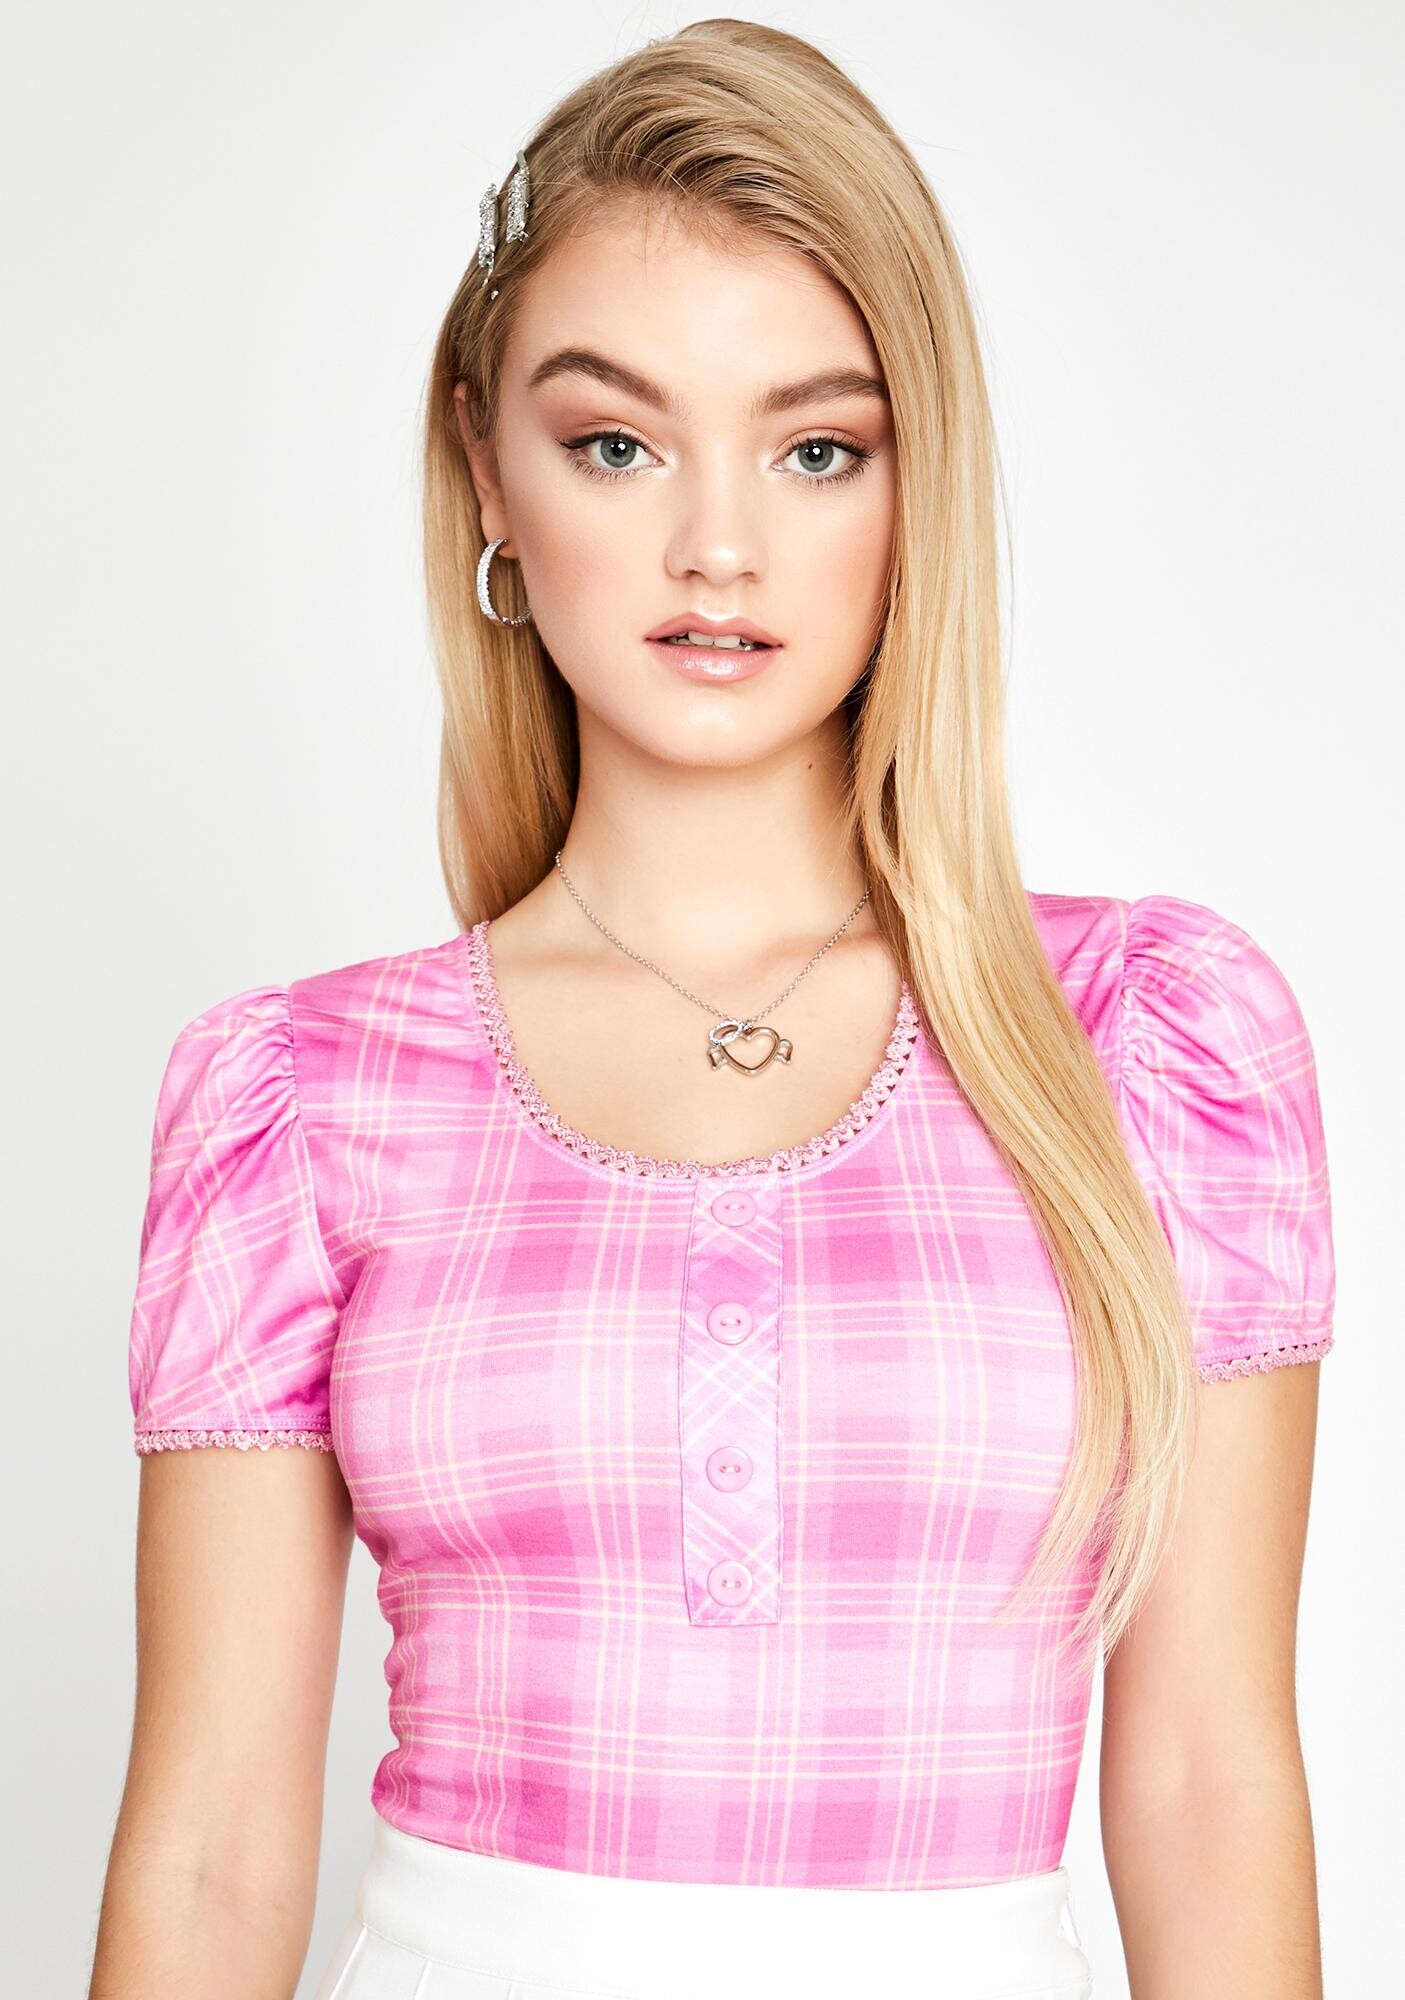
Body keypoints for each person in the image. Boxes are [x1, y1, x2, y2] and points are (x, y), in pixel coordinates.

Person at [90, 20, 1337, 2000]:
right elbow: (211, 1854)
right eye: (617, 443)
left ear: (916, 485)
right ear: (489, 476)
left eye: (816, 447)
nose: (717, 547)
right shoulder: (297, 1098)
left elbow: (1207, 1785)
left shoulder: (1149, 1042)